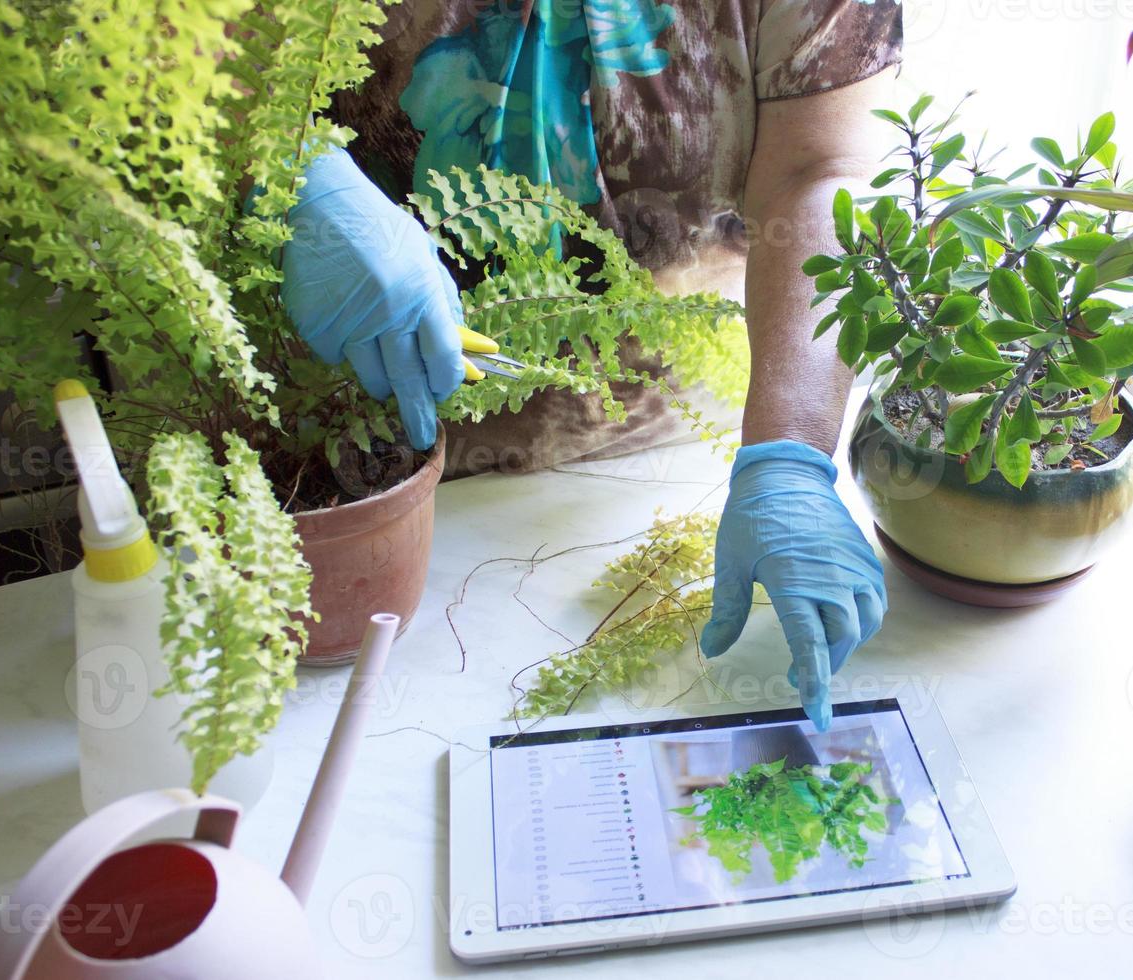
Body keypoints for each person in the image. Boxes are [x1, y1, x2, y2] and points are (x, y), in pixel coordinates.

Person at [281, 0, 902, 730]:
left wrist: (790, 453)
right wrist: (294, 176)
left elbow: (820, 167)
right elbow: (156, 51)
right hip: (340, 467)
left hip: (662, 463)